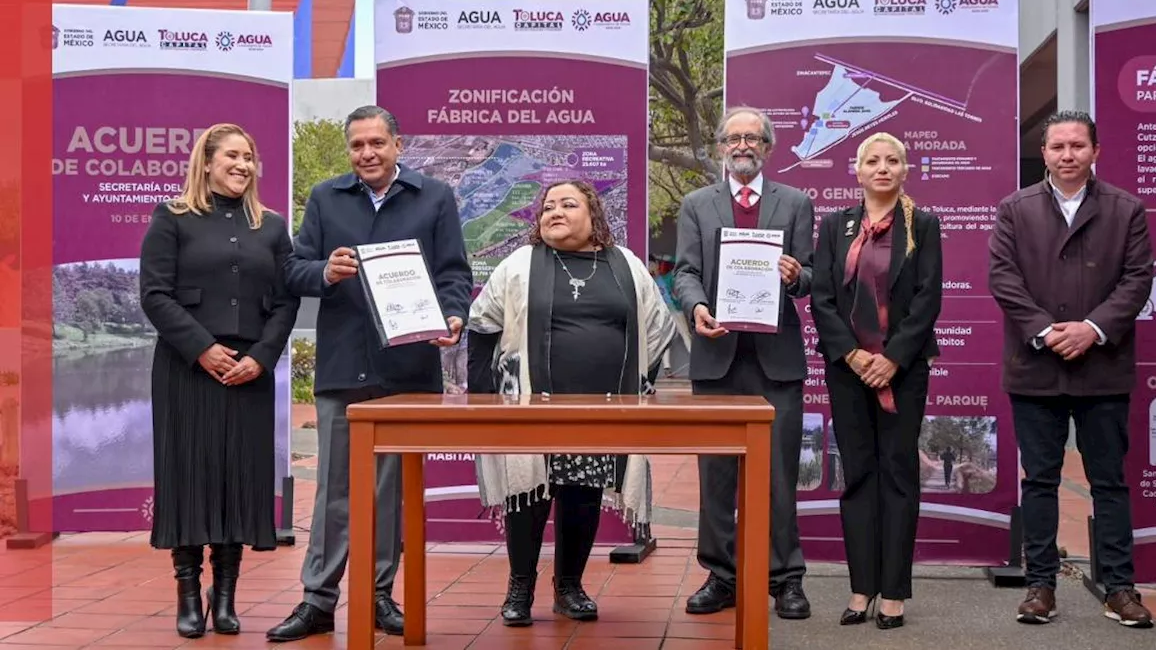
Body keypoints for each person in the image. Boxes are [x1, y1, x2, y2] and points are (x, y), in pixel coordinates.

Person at [267, 105, 474, 642]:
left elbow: (454, 273)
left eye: (377, 143)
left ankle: (379, 593)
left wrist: (454, 314)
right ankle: (317, 599)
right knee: (335, 490)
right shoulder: (324, 197)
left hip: (407, 369)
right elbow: (294, 268)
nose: (367, 154)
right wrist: (325, 272)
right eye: (358, 145)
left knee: (389, 492)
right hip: (343, 367)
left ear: (398, 145)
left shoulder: (434, 196)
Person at [467, 180, 675, 627]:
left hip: (602, 411)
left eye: (567, 204)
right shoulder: (521, 264)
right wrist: (481, 396)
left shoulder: (627, 265)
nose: (554, 212)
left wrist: (639, 385)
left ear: (593, 214)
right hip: (529, 407)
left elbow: (657, 329)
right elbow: (482, 322)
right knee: (529, 496)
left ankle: (569, 587)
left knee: (583, 494)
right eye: (547, 207)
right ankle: (519, 588)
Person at [988, 110, 1155, 628]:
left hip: (1102, 366)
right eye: (1058, 146)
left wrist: (1092, 329)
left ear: (1095, 152)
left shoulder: (1127, 210)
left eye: (1077, 146)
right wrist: (1047, 331)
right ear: (1044, 153)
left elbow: (1137, 280)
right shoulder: (1015, 209)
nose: (1067, 155)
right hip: (1035, 365)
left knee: (1109, 482)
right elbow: (1003, 277)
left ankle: (1120, 588)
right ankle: (1041, 585)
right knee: (1039, 481)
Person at [139, 123, 300, 638]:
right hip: (188, 371)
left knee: (237, 479)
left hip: (249, 372)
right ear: (205, 162)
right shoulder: (173, 218)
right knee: (190, 477)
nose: (243, 164)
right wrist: (203, 349)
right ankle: (188, 593)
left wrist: (263, 357)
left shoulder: (272, 227)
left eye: (250, 157)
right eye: (232, 155)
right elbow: (155, 294)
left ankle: (225, 596)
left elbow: (285, 300)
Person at [674, 106, 815, 620]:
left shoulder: (797, 203)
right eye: (733, 138)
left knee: (779, 475)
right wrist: (696, 307)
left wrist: (798, 275)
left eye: (752, 138)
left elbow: (811, 277)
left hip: (776, 362)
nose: (742, 146)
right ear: (720, 147)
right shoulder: (696, 204)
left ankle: (786, 579)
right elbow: (685, 272)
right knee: (716, 477)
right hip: (717, 359)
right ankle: (722, 575)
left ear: (768, 148)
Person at [810, 131, 942, 630]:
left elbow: (928, 299)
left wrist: (893, 359)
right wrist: (852, 355)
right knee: (859, 475)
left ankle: (893, 593)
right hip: (849, 373)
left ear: (905, 170)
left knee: (899, 476)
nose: (882, 168)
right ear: (858, 170)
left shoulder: (922, 225)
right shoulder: (834, 226)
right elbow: (822, 297)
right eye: (872, 160)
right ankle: (861, 588)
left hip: (902, 373)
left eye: (892, 161)